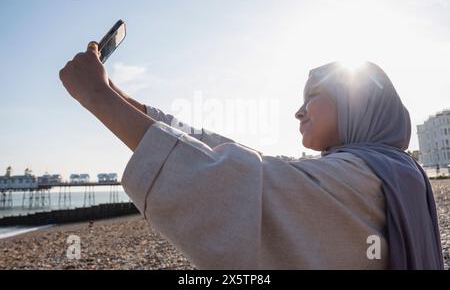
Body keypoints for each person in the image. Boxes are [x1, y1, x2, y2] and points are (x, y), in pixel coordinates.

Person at [59, 42, 444, 269]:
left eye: (313, 96)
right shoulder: (385, 169)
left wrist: (97, 98)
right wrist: (121, 98)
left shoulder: (363, 176)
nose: (299, 110)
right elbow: (237, 155)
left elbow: (235, 182)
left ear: (355, 102)